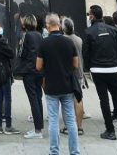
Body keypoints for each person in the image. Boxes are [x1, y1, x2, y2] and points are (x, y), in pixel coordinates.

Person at [83, 5, 117, 140]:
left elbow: (86, 53)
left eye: (89, 14)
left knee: (104, 100)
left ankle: (110, 131)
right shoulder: (112, 30)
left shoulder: (89, 32)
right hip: (113, 69)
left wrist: (88, 68)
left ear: (92, 16)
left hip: (98, 70)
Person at [36, 13, 80, 155]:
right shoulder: (69, 42)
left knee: (53, 120)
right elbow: (76, 64)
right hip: (67, 85)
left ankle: (54, 151)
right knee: (70, 120)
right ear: (59, 25)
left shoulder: (44, 43)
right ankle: (74, 151)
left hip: (51, 86)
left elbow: (38, 66)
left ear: (48, 26)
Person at [16, 14, 44, 139]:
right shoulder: (39, 35)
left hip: (29, 70)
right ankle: (39, 127)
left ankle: (38, 130)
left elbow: (22, 53)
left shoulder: (26, 35)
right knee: (38, 98)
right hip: (39, 70)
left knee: (33, 99)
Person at [61, 17, 85, 135]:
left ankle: (67, 126)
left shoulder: (61, 40)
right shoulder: (79, 40)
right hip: (78, 73)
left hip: (65, 73)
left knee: (66, 101)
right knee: (78, 99)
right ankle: (79, 127)